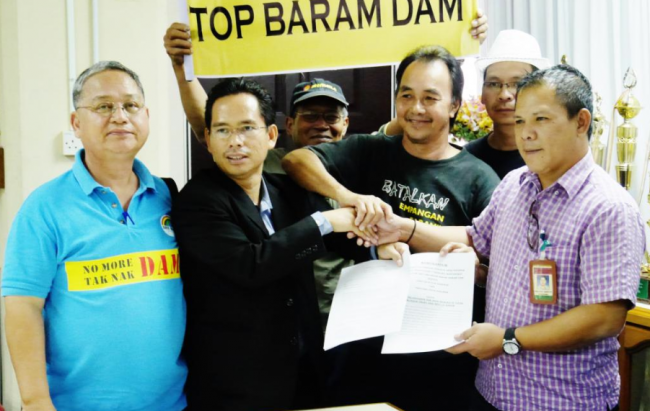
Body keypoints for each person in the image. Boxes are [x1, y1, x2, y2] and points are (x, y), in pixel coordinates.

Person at [375, 65, 644, 411]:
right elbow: (475, 238)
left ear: (581, 122)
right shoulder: (516, 184)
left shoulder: (609, 207)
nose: (526, 134)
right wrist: (406, 230)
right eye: (519, 121)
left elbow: (604, 317)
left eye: (541, 120)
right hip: (492, 392)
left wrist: (507, 341)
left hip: (562, 401)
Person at [282, 45, 500, 411]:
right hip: (361, 354)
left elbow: (493, 262)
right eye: (407, 96)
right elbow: (296, 160)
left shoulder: (480, 179)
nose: (416, 109)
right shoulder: (371, 151)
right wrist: (346, 195)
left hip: (441, 364)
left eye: (430, 98)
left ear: (454, 105)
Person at [171, 77, 375, 411]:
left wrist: (378, 246)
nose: (235, 142)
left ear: (270, 136)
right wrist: (323, 221)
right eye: (222, 130)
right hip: (234, 383)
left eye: (247, 128)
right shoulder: (198, 200)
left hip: (302, 369)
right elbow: (252, 265)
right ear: (207, 139)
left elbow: (337, 239)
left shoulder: (285, 189)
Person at [2, 61, 188, 411]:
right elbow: (23, 307)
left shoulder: (170, 198)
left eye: (131, 105)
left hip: (171, 404)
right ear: (76, 123)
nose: (120, 116)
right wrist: (35, 400)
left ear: (146, 116)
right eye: (103, 106)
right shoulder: (44, 207)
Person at [465, 29, 550, 179]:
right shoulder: (468, 158)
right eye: (493, 84)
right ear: (482, 95)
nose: (504, 95)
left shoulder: (551, 157)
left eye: (517, 84)